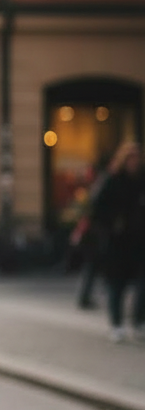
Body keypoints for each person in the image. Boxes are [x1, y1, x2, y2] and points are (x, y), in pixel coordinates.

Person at [90, 141, 145, 342]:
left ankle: (139, 321)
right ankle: (117, 324)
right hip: (117, 242)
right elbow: (96, 207)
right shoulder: (112, 179)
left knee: (142, 283)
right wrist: (113, 224)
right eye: (131, 157)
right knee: (117, 284)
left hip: (139, 240)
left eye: (137, 157)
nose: (134, 161)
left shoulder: (141, 180)